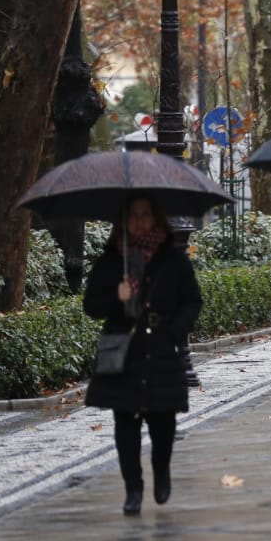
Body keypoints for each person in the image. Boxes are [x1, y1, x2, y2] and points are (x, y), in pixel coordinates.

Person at [83, 194, 202, 517]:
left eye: (145, 214)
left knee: (163, 423)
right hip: (124, 351)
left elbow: (192, 300)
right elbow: (91, 305)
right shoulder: (112, 259)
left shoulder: (172, 258)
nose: (139, 221)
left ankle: (161, 472)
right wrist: (116, 298)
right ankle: (132, 489)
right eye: (133, 215)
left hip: (161, 350)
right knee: (126, 423)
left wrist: (175, 331)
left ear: (156, 218)